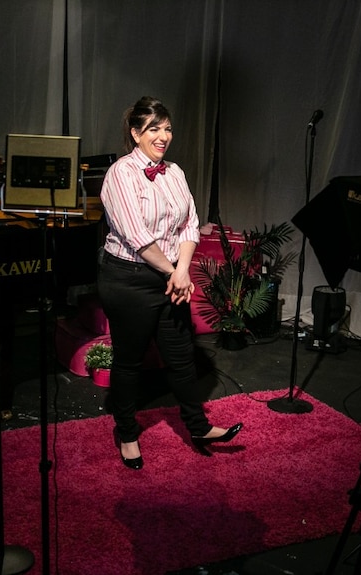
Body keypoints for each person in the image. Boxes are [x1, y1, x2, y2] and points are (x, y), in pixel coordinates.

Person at [97, 96, 243, 470]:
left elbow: (191, 225)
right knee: (129, 363)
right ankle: (127, 433)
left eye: (167, 128)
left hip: (170, 276)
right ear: (135, 133)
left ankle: (197, 426)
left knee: (181, 360)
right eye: (153, 129)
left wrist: (182, 270)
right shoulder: (121, 174)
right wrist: (172, 272)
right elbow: (137, 235)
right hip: (129, 279)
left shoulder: (174, 172)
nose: (163, 136)